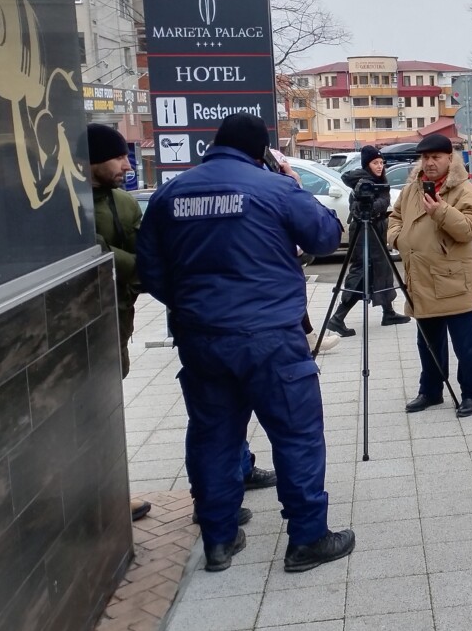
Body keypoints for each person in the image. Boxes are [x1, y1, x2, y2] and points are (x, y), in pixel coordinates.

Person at [137, 114, 354, 574]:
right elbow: (325, 235)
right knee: (296, 435)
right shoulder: (274, 188)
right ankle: (308, 539)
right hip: (270, 339)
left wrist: (195, 308)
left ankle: (219, 539)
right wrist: (294, 182)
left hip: (201, 340)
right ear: (262, 152)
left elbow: (152, 272)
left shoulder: (171, 193)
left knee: (213, 436)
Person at [387, 133, 472, 418]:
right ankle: (430, 390)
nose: (429, 163)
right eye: (425, 158)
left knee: (465, 343)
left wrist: (441, 211)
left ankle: (471, 393)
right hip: (419, 276)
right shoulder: (412, 188)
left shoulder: (463, 189)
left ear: (449, 159)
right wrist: (397, 237)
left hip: (451, 278)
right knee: (427, 341)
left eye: (436, 158)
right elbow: (395, 217)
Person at [86, 124, 153, 524]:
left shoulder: (125, 203)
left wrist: (130, 264)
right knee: (91, 410)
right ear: (92, 159)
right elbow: (93, 252)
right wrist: (134, 266)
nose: (127, 164)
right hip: (81, 323)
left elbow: (140, 254)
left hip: (118, 320)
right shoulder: (68, 202)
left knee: (110, 407)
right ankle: (103, 494)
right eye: (119, 157)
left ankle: (112, 491)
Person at [324, 146, 410, 336]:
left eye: (381, 163)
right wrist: (373, 204)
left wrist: (378, 205)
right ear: (367, 164)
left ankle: (388, 312)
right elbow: (359, 208)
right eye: (375, 163)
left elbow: (383, 201)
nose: (379, 166)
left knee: (383, 267)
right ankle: (337, 318)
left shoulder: (378, 181)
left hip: (376, 229)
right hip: (364, 231)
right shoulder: (362, 183)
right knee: (362, 272)